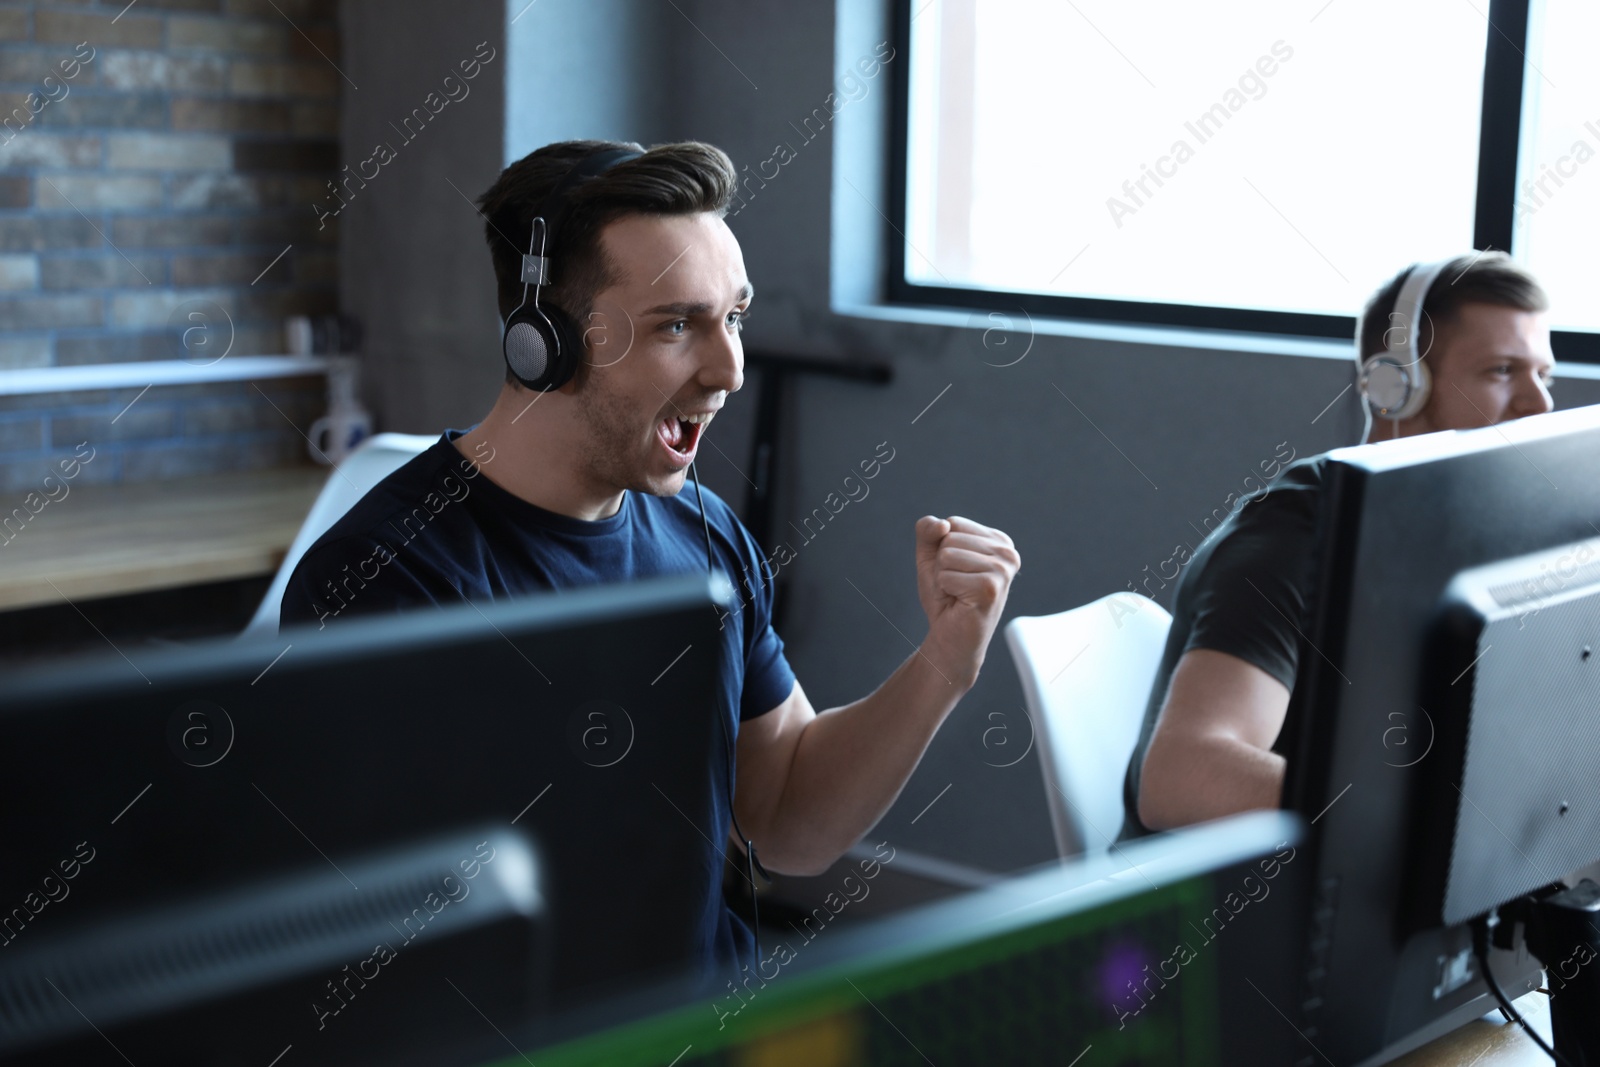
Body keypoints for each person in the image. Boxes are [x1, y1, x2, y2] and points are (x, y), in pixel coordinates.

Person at [279, 139, 1020, 977]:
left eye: (733, 317)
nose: (731, 368)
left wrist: (942, 668)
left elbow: (784, 817)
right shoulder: (393, 577)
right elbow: (384, 948)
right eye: (677, 325)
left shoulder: (706, 539)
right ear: (542, 343)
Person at [1122, 251, 1554, 840]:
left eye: (1543, 374)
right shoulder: (1295, 534)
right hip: (1228, 917)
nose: (1540, 402)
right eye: (1503, 371)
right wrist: (1424, 826)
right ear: (1394, 386)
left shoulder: (1465, 533)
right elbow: (1180, 778)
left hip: (1364, 902)